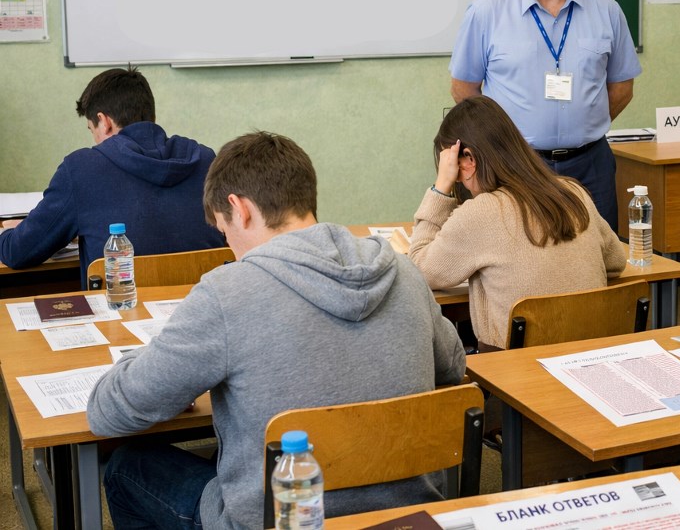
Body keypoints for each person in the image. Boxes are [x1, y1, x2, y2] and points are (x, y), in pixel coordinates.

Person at [87, 132, 466, 529]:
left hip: (282, 520)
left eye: (224, 230)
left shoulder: (226, 294)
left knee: (126, 468)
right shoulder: (403, 271)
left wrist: (148, 360)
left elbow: (108, 412)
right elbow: (452, 367)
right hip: (408, 515)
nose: (230, 247)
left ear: (240, 209)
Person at [448, 0, 642, 230]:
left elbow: (622, 87)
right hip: (514, 165)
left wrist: (583, 124)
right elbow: (464, 90)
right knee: (518, 254)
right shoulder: (486, 13)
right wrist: (501, 144)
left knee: (600, 253)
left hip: (590, 165)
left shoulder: (607, 10)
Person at [409, 96, 625, 351]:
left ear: (468, 159)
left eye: (453, 168)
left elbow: (418, 271)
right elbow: (616, 261)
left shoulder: (480, 212)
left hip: (515, 365)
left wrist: (441, 188)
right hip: (591, 357)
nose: (457, 180)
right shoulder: (572, 192)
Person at [0, 67, 224, 287]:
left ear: (104, 121)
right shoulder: (206, 160)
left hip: (120, 308)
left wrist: (11, 232)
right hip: (202, 304)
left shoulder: (81, 168)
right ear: (152, 117)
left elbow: (18, 252)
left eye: (92, 129)